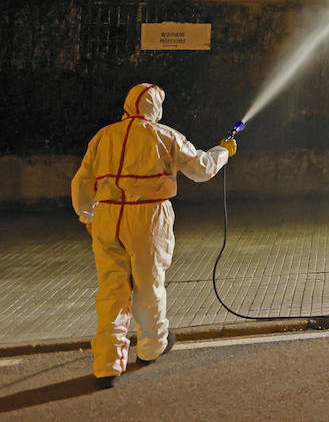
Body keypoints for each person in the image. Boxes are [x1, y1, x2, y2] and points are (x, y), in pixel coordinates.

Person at [71, 83, 238, 388]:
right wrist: (223, 151)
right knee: (148, 285)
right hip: (148, 217)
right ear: (154, 108)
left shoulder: (103, 136)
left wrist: (87, 216)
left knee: (111, 290)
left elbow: (82, 181)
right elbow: (202, 169)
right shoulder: (165, 136)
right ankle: (151, 346)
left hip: (107, 217)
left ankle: (107, 365)